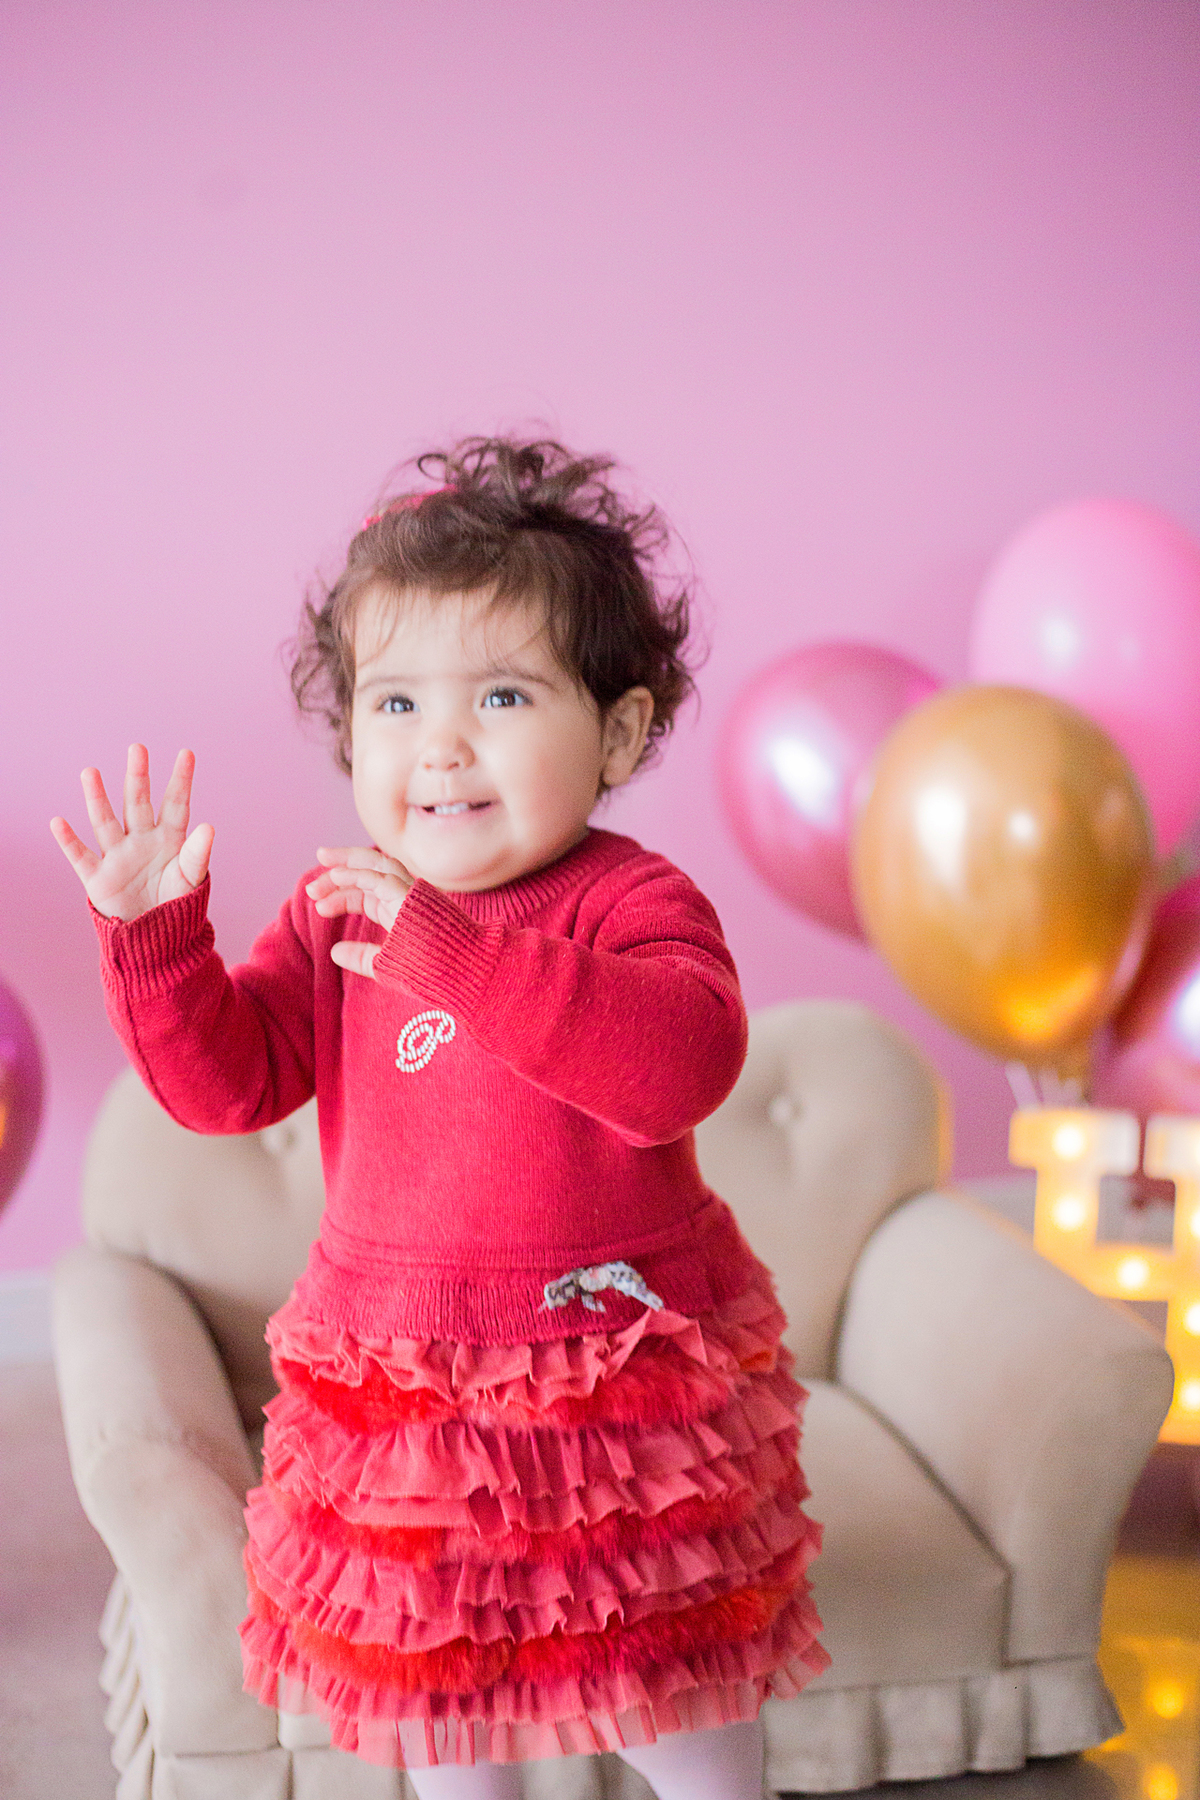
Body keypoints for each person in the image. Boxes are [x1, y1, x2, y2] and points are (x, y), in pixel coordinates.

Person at [51, 438, 827, 1799]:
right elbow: (226, 1087)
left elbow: (677, 1066)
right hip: (407, 1403)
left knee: (673, 1713)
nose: (442, 745)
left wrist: (449, 949)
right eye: (395, 703)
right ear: (351, 734)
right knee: (449, 1731)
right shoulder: (339, 902)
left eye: (507, 695)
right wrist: (156, 940)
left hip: (610, 1394)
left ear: (622, 734)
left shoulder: (632, 905)